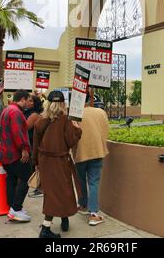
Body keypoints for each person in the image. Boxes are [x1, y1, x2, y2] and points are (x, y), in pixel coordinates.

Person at [33, 90, 82, 239]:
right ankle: (46, 229)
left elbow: (35, 144)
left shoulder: (40, 120)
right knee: (62, 191)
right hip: (60, 161)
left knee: (52, 192)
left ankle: (64, 218)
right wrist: (78, 130)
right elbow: (71, 142)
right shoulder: (65, 120)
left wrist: (36, 163)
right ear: (62, 103)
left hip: (44, 161)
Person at [73, 91, 109, 226]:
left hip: (79, 153)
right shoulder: (100, 112)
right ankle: (93, 214)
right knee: (93, 182)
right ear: (90, 99)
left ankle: (82, 205)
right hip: (97, 150)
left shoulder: (75, 114)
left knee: (81, 180)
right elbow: (106, 130)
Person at [0, 90, 32, 222]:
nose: (29, 103)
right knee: (26, 178)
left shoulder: (7, 109)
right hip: (15, 154)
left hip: (7, 153)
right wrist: (24, 149)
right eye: (28, 100)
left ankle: (13, 208)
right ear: (23, 99)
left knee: (12, 180)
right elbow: (17, 133)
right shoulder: (16, 112)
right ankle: (15, 208)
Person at [24, 95, 43, 198]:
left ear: (35, 103)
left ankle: (39, 188)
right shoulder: (27, 112)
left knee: (35, 165)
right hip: (29, 140)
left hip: (32, 141)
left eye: (30, 101)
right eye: (28, 100)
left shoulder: (34, 114)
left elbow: (26, 126)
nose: (28, 102)